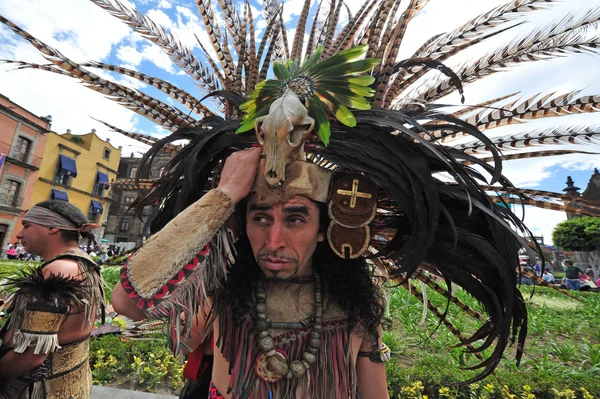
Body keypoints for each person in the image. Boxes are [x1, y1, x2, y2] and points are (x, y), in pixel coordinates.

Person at [110, 44, 530, 398]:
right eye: (260, 217)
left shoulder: (357, 309)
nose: (273, 239)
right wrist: (222, 199)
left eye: (295, 219)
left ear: (324, 228)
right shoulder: (221, 291)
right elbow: (128, 303)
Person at [0, 200, 105, 398]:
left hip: (39, 388)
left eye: (27, 226)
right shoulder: (83, 263)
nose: (20, 234)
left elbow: (32, 355)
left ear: (52, 227)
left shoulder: (59, 270)